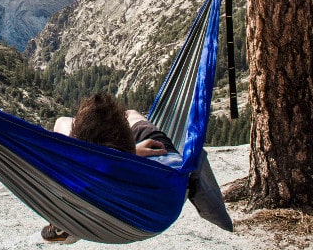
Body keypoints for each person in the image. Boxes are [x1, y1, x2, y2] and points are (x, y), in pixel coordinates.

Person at [40, 93, 232, 244]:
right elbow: (195, 160)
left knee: (62, 122)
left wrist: (126, 152)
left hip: (91, 179)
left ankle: (62, 227)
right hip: (154, 202)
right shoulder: (169, 164)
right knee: (130, 113)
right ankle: (114, 145)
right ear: (127, 139)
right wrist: (130, 153)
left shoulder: (76, 172)